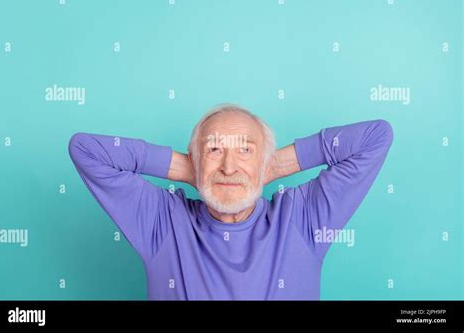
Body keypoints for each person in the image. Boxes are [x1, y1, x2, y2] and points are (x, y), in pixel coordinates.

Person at [68, 103, 394, 300]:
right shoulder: (162, 222)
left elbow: (376, 137)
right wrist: (191, 169)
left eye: (245, 150)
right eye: (213, 150)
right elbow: (85, 149)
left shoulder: (303, 219)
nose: (228, 166)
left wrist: (274, 165)